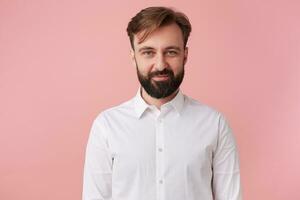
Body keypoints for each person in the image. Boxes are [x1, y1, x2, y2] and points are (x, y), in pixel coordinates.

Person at [82, 6, 242, 200]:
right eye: (148, 52)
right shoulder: (106, 126)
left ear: (185, 55)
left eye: (171, 52)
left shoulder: (214, 124)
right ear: (134, 58)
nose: (160, 65)